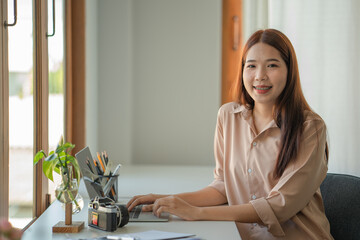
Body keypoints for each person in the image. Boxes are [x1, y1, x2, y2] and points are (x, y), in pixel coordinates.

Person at [126, 29, 333, 240]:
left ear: (289, 71)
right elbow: (223, 187)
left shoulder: (310, 128)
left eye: (272, 65)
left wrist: (197, 213)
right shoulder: (228, 116)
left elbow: (280, 205)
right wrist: (163, 200)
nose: (260, 76)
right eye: (251, 65)